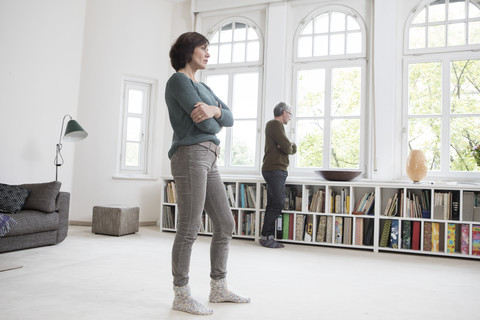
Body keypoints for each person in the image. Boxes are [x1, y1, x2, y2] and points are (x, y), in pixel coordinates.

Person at [165, 32, 250, 316]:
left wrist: (213, 110)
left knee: (225, 224)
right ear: (189, 51)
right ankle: (181, 294)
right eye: (204, 48)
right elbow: (209, 127)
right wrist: (216, 117)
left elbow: (229, 117)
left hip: (209, 158)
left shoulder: (204, 87)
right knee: (189, 227)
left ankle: (218, 287)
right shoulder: (178, 81)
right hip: (190, 155)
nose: (208, 54)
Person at [260, 102, 297, 248]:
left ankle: (267, 236)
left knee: (273, 203)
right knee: (278, 203)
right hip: (274, 169)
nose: (290, 117)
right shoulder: (274, 125)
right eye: (290, 114)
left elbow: (285, 147)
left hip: (276, 169)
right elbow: (288, 148)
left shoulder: (277, 127)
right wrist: (291, 145)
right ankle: (266, 236)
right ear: (284, 112)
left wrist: (286, 146)